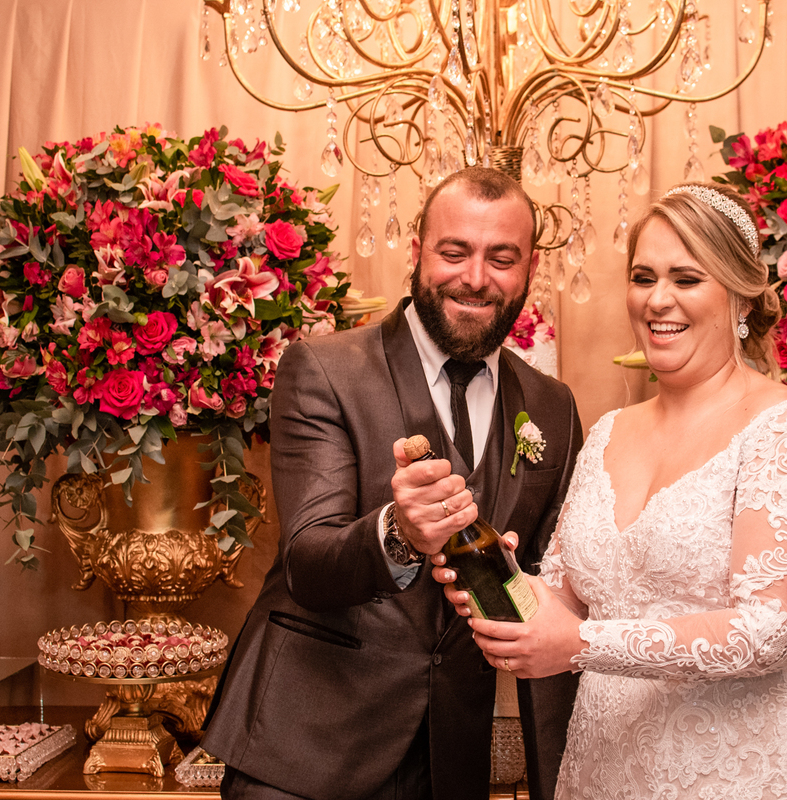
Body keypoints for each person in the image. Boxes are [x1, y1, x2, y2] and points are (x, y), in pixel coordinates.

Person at [438, 182, 787, 799]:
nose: (657, 300)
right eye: (643, 277)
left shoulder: (783, 429)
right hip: (606, 761)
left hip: (735, 768)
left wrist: (581, 644)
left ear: (739, 293)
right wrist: (496, 578)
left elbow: (772, 630)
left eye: (687, 279)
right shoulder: (609, 432)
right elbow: (566, 600)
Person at [201, 166, 583, 800]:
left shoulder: (552, 406)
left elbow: (552, 599)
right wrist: (399, 533)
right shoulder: (324, 369)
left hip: (451, 760)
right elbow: (306, 563)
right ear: (417, 252)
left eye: (501, 258)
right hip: (305, 750)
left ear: (531, 268)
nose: (476, 278)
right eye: (454, 252)